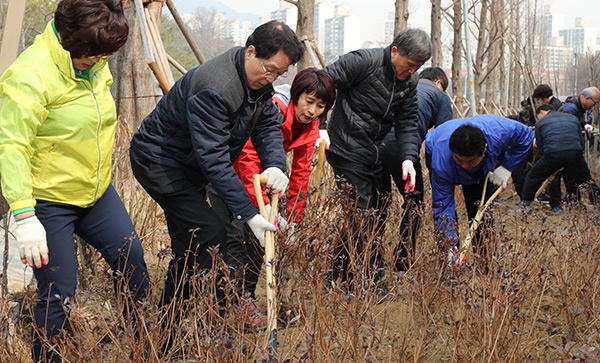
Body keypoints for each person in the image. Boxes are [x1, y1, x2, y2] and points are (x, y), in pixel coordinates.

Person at [129, 20, 304, 339]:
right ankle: (211, 317)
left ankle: (164, 336)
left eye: (279, 74)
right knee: (208, 235)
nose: (272, 78)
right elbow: (213, 159)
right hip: (160, 161)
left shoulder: (259, 82)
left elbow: (266, 126)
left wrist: (277, 165)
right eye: (269, 69)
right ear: (250, 51)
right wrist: (249, 213)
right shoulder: (216, 86)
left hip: (189, 166)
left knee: (191, 247)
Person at [0, 1, 150, 361]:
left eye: (103, 56)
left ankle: (146, 346)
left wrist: (94, 59)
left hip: (94, 191)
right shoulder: (30, 75)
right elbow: (11, 145)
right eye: (91, 56)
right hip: (49, 200)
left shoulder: (92, 62)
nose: (98, 62)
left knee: (132, 259)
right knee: (58, 289)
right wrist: (24, 215)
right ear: (67, 39)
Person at [206, 68, 336, 329]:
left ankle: (244, 302)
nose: (312, 110)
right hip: (225, 176)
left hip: (254, 180)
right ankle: (230, 308)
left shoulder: (309, 127)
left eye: (320, 106)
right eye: (309, 102)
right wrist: (261, 206)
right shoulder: (273, 110)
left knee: (260, 241)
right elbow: (247, 158)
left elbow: (300, 175)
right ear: (297, 95)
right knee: (236, 238)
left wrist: (294, 221)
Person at [323, 28, 432, 287]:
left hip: (376, 152)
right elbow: (323, 82)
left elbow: (407, 122)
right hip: (345, 148)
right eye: (409, 65)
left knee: (379, 212)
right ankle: (370, 278)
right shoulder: (363, 61)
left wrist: (408, 158)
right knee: (363, 214)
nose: (412, 71)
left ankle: (337, 270)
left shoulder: (410, 82)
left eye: (418, 67)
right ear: (394, 51)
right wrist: (319, 127)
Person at [424, 115, 534, 258]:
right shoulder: (441, 162)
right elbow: (443, 204)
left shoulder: (499, 131)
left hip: (480, 166)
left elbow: (526, 136)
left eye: (469, 161)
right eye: (459, 160)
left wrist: (506, 168)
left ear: (484, 151)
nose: (464, 165)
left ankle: (486, 260)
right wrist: (448, 244)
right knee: (445, 213)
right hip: (437, 146)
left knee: (480, 212)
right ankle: (450, 261)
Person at [381, 66, 453, 271]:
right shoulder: (439, 96)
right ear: (439, 82)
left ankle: (368, 258)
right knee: (414, 202)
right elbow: (444, 135)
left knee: (377, 204)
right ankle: (402, 260)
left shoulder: (404, 85)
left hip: (374, 145)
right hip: (403, 149)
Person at [519, 104, 600, 214]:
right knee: (587, 181)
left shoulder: (540, 123)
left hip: (552, 153)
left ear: (542, 113)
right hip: (574, 152)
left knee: (533, 176)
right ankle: (598, 205)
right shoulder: (573, 118)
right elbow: (580, 141)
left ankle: (525, 205)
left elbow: (541, 146)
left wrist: (548, 164)